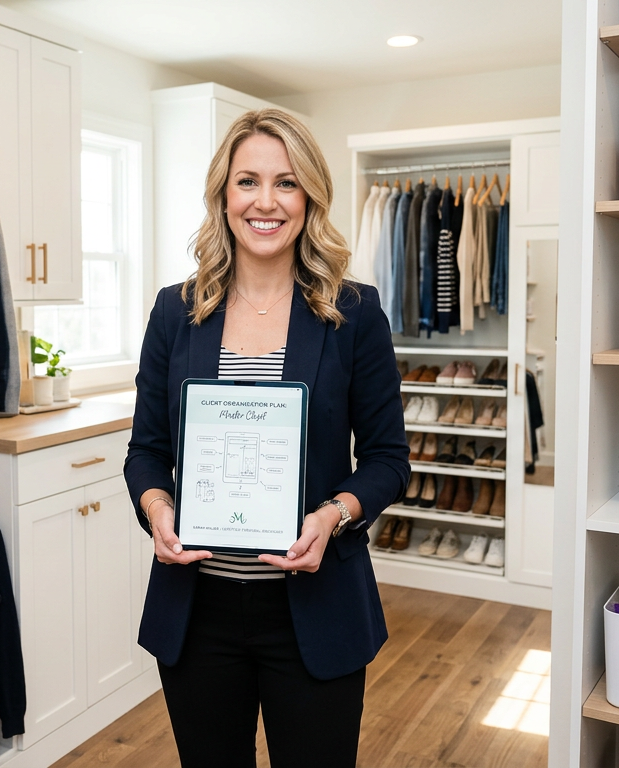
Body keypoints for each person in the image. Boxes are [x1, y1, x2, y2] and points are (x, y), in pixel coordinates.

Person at [124, 108, 410, 768]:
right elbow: (147, 450)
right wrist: (158, 510)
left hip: (314, 608)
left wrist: (334, 514)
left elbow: (389, 460)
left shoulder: (354, 313)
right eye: (248, 180)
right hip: (198, 613)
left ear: (309, 196)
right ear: (224, 194)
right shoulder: (177, 310)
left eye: (286, 183)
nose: (265, 201)